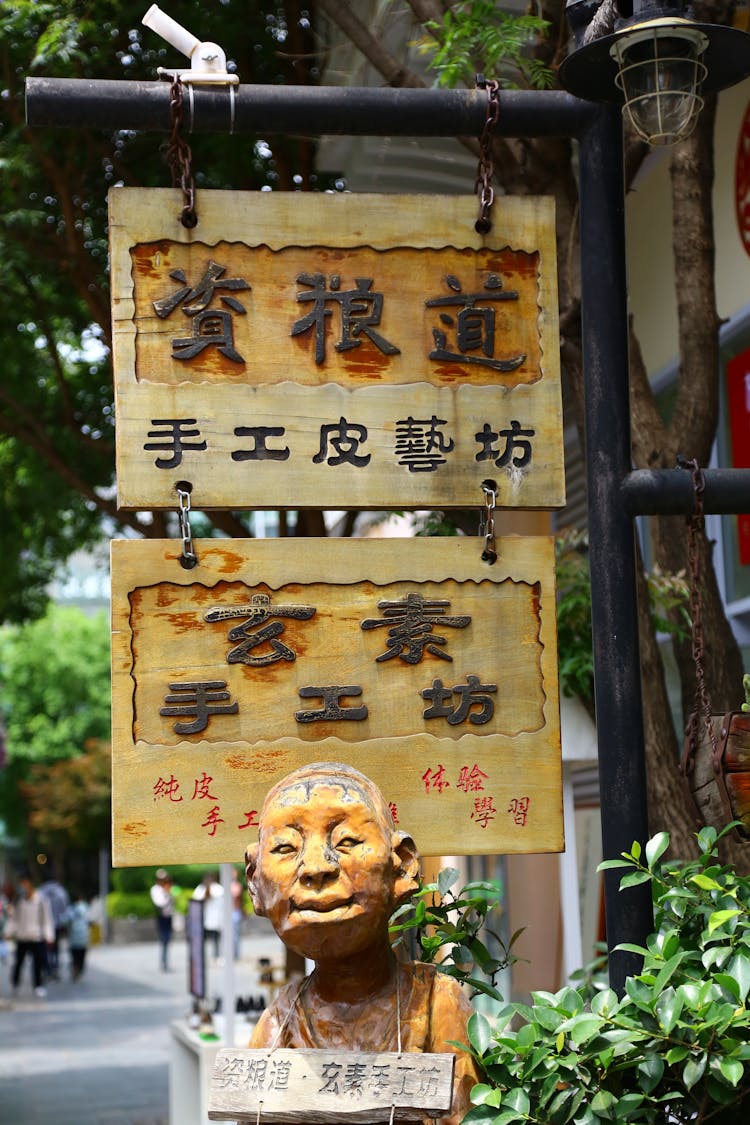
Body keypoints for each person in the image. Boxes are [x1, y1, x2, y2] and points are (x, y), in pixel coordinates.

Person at [244, 762, 480, 1125]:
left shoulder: (436, 1002)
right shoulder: (280, 1021)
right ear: (255, 882)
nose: (315, 867)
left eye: (347, 842)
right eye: (286, 847)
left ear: (401, 865)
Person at [10, 872, 54, 998]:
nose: (23, 886)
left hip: (37, 937)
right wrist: (9, 932)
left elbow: (47, 920)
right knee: (18, 962)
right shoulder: (19, 900)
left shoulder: (41, 900)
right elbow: (14, 919)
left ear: (30, 884)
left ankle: (38, 985)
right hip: (22, 937)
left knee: (37, 963)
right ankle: (15, 983)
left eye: (25, 883)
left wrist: (49, 935)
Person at [39, 868, 70, 980]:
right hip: (57, 925)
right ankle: (55, 969)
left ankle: (47, 970)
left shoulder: (41, 891)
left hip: (44, 926)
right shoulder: (61, 892)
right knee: (56, 949)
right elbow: (65, 910)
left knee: (45, 949)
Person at [192, 872, 224, 961]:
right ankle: (214, 956)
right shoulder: (203, 888)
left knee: (213, 940)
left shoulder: (216, 889)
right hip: (208, 919)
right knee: (214, 940)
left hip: (212, 918)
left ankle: (214, 956)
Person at [150, 868, 174, 971]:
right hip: (161, 917)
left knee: (167, 940)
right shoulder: (155, 889)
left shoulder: (168, 888)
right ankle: (163, 962)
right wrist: (167, 894)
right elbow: (160, 903)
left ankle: (165, 962)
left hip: (168, 916)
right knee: (164, 939)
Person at [65, 891, 90, 981]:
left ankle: (75, 969)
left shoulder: (70, 909)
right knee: (82, 956)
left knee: (74, 956)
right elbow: (91, 919)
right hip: (84, 936)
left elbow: (65, 920)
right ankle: (79, 969)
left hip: (73, 937)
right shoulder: (86, 907)